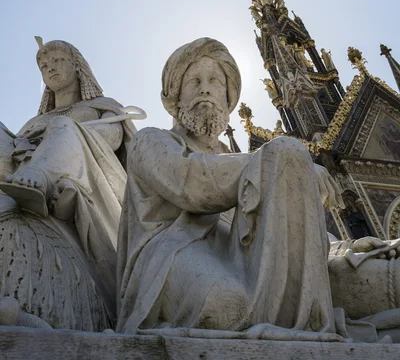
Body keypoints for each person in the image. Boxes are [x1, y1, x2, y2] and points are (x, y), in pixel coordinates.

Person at [117, 37, 344, 339]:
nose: (205, 88)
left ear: (227, 97)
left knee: (382, 276)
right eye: (193, 81)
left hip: (238, 254)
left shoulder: (239, 161)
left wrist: (343, 247)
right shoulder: (150, 141)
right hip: (172, 254)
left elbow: (286, 224)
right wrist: (282, 164)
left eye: (214, 81)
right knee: (228, 306)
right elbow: (192, 183)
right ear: (176, 97)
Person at [0, 38, 136, 331]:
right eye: (44, 66)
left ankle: (43, 181)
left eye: (57, 60)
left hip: (77, 169)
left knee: (63, 127)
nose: (50, 69)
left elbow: (111, 141)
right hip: (20, 165)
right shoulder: (34, 121)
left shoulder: (102, 107)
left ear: (78, 66)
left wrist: (64, 134)